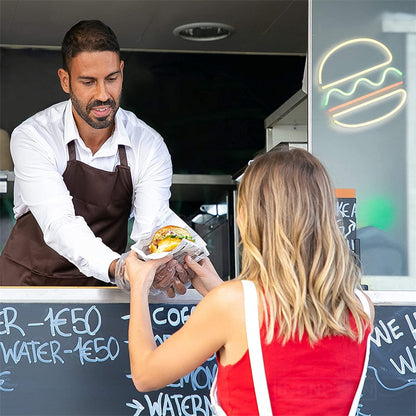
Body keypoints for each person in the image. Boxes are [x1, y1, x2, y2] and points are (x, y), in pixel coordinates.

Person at [125, 148, 374, 415]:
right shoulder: (360, 306)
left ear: (251, 217)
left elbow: (145, 375)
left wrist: (139, 285)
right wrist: (220, 288)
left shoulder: (231, 304)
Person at [0, 20, 191, 293]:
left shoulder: (148, 144)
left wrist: (156, 267)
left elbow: (149, 228)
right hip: (27, 289)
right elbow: (59, 223)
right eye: (88, 82)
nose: (103, 95)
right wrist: (120, 268)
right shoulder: (34, 136)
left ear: (122, 72)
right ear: (65, 80)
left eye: (111, 79)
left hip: (101, 293)